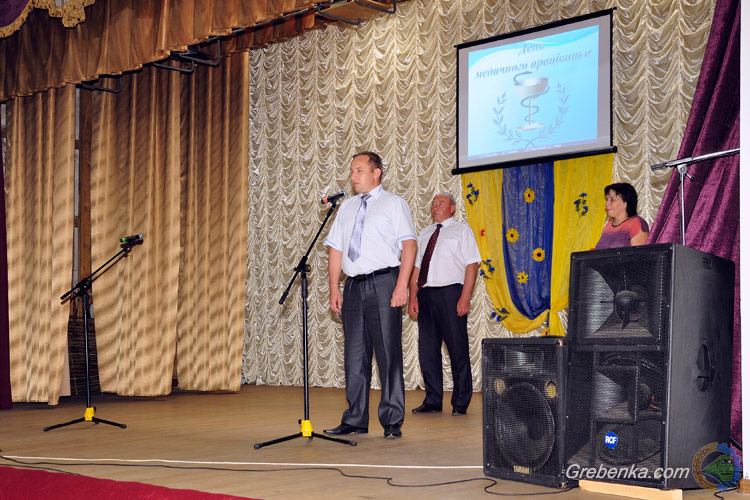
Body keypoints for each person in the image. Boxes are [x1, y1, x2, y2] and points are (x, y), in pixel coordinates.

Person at [323, 152, 417, 439]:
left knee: (388, 353)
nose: (353, 176)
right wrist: (334, 288)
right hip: (353, 286)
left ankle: (392, 420)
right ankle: (355, 419)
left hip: (384, 282)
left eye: (359, 170)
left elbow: (409, 246)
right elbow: (336, 249)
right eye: (352, 171)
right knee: (354, 355)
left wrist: (402, 286)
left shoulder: (394, 203)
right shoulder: (347, 207)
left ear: (377, 173)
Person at [408, 193, 480, 416]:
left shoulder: (462, 230)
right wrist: (413, 296)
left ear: (452, 208)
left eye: (441, 203)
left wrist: (465, 297)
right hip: (426, 295)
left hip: (451, 294)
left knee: (457, 348)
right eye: (433, 204)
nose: (435, 207)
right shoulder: (425, 233)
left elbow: (472, 265)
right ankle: (432, 400)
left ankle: (460, 402)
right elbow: (417, 268)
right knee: (427, 351)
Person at [595, 182, 649, 249]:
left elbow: (639, 254)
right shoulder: (609, 225)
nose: (606, 203)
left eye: (612, 199)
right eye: (607, 199)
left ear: (626, 203)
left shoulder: (636, 223)